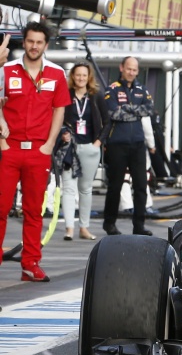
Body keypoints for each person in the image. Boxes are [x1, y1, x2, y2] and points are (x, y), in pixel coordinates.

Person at [0, 23, 67, 281]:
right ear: (24, 42)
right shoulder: (5, 70)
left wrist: (49, 144)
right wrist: (2, 143)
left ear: (46, 45)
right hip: (9, 148)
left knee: (33, 210)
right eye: (30, 41)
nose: (34, 46)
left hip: (39, 151)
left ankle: (30, 264)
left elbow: (59, 109)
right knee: (1, 207)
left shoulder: (56, 73)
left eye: (39, 42)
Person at [100, 56, 155, 236]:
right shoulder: (112, 89)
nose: (131, 72)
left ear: (137, 71)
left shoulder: (142, 89)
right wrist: (135, 111)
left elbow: (149, 109)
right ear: (121, 68)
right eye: (128, 68)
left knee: (140, 186)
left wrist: (128, 109)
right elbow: (114, 113)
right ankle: (109, 224)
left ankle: (139, 226)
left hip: (138, 144)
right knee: (115, 185)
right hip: (117, 144)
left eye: (134, 70)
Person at [61, 64, 104, 241]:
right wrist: (62, 134)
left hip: (90, 148)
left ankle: (84, 228)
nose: (80, 78)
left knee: (85, 189)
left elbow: (108, 121)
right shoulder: (66, 95)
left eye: (83, 75)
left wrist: (98, 143)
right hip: (69, 148)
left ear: (89, 77)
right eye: (77, 75)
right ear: (72, 76)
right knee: (68, 188)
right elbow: (58, 116)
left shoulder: (95, 96)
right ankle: (69, 227)